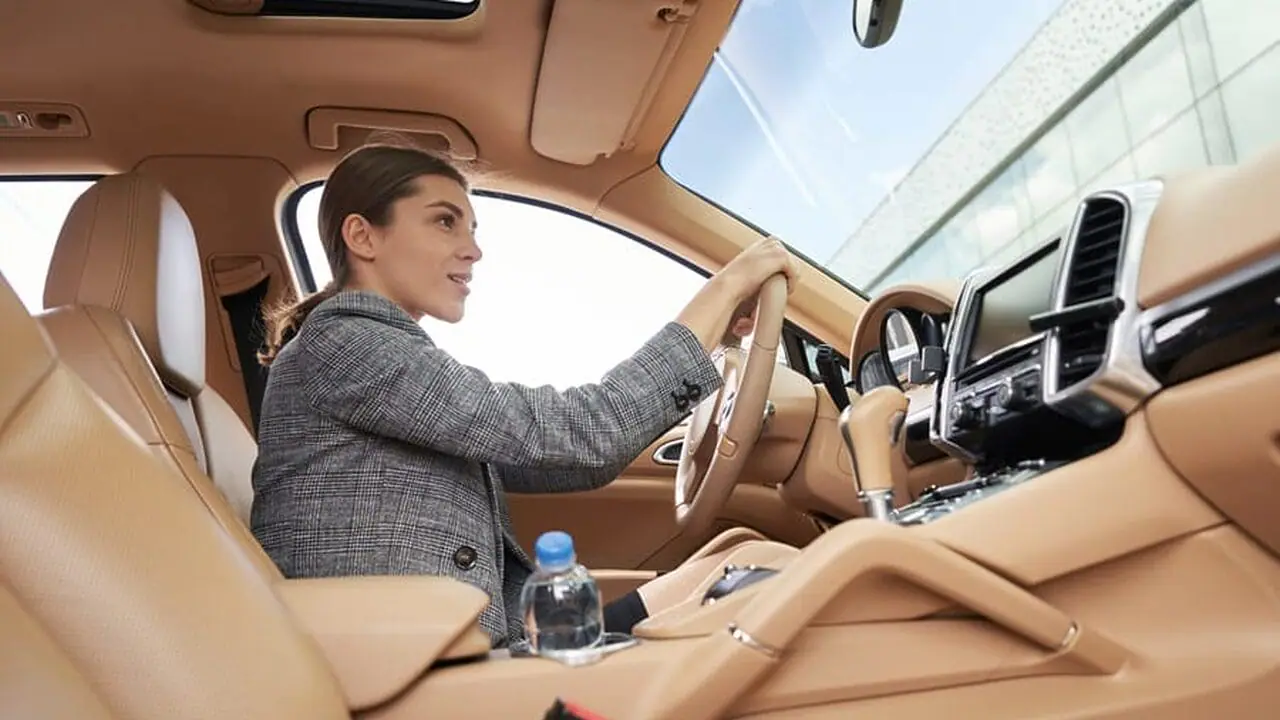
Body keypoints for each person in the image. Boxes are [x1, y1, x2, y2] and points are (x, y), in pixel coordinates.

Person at [250, 141, 797, 648]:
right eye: (445, 221)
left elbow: (560, 462)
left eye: (471, 228)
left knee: (745, 558)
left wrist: (714, 333)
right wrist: (725, 287)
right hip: (423, 668)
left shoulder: (372, 354)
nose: (473, 250)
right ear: (363, 236)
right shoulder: (346, 343)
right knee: (780, 584)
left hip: (466, 644)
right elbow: (582, 436)